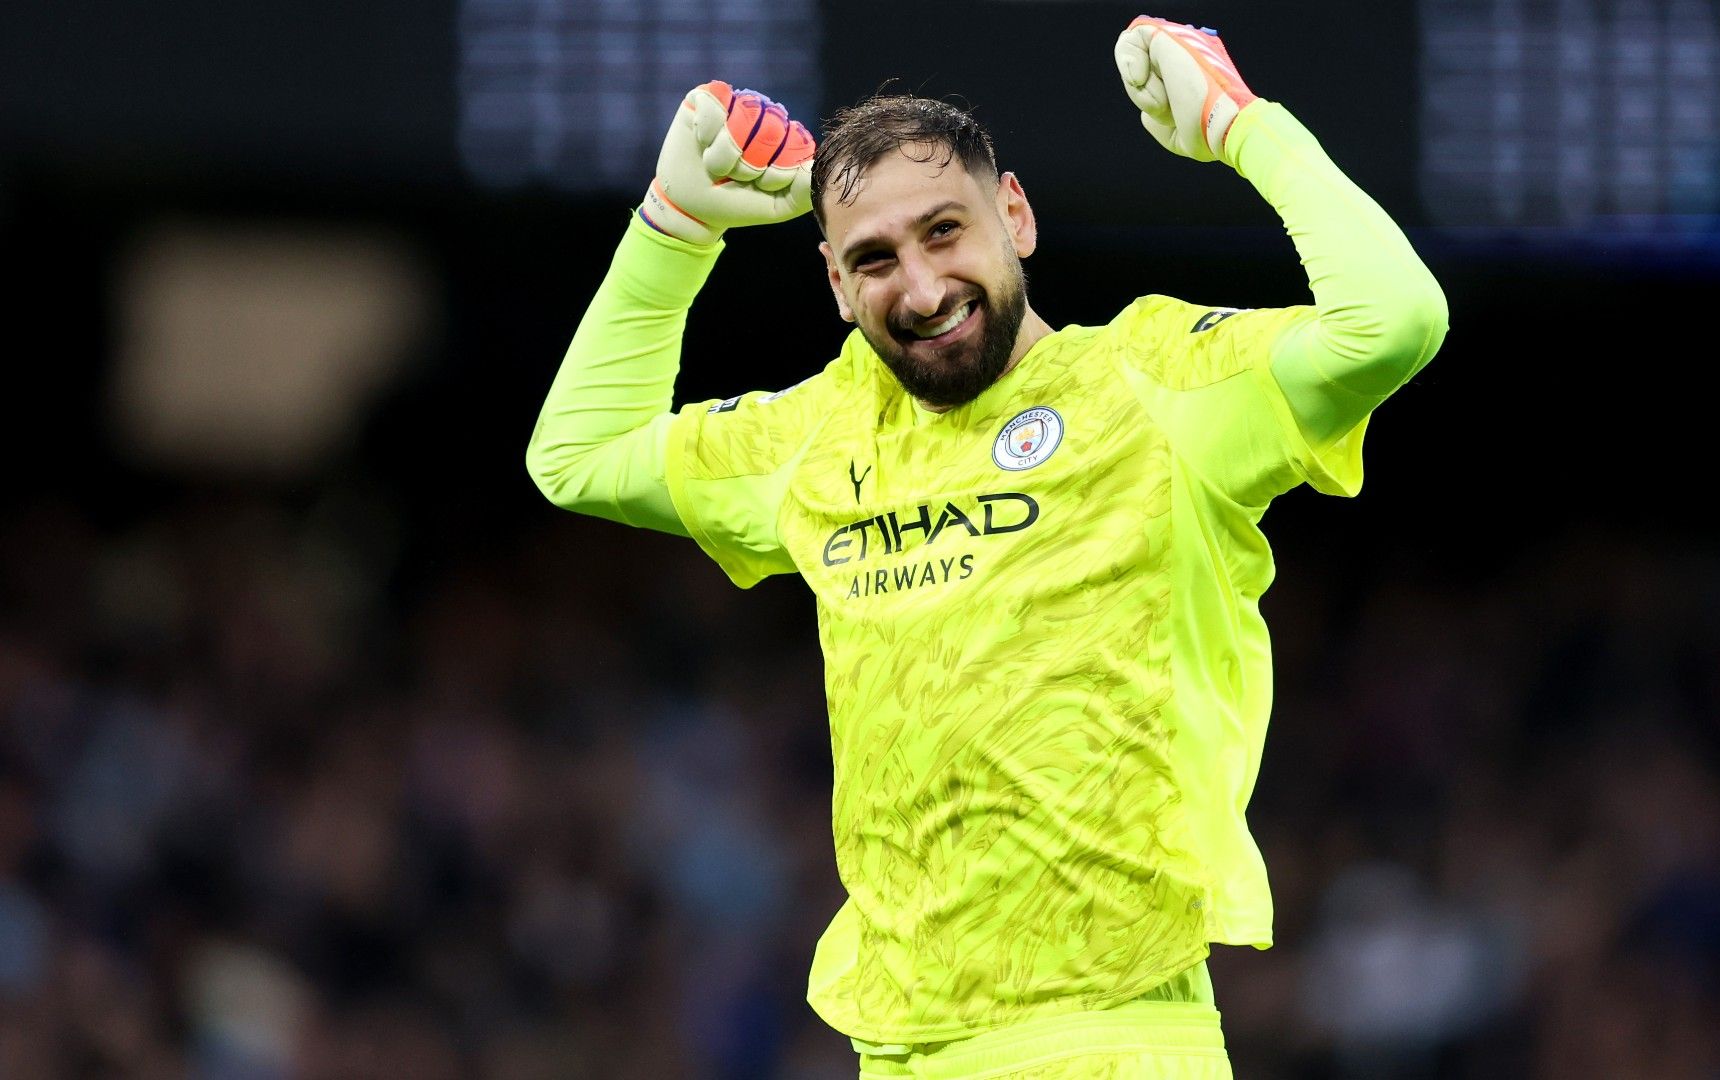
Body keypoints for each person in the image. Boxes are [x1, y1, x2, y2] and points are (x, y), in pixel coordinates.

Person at [527, 15, 1447, 1077]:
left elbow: (1396, 321)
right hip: (896, 1052)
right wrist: (674, 226)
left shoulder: (1152, 386)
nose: (920, 290)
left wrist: (1244, 127)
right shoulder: (820, 437)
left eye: (944, 232)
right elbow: (579, 456)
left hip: (1107, 1035)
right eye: (874, 260)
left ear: (1014, 214)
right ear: (834, 284)